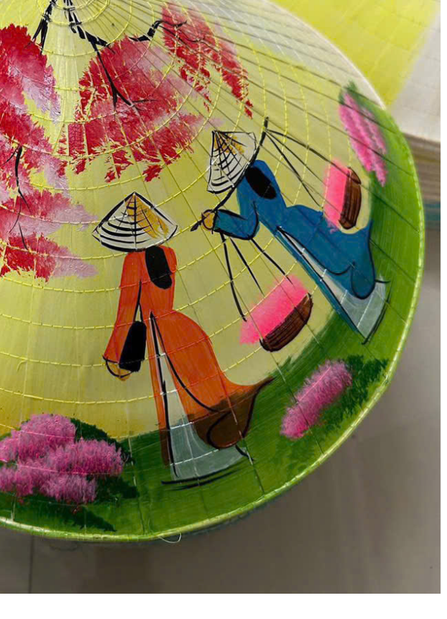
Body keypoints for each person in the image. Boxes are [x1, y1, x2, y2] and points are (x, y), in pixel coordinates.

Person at [95, 192, 273, 482]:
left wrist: (114, 356)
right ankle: (226, 448)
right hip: (186, 331)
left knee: (176, 398)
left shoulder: (133, 262)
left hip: (161, 338)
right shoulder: (169, 254)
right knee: (204, 393)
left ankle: (191, 463)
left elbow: (126, 311)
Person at [199, 159, 387, 339]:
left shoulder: (242, 189)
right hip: (299, 215)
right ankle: (370, 296)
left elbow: (248, 228)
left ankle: (363, 308)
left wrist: (218, 220)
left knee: (324, 268)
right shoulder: (260, 165)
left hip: (289, 233)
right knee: (331, 252)